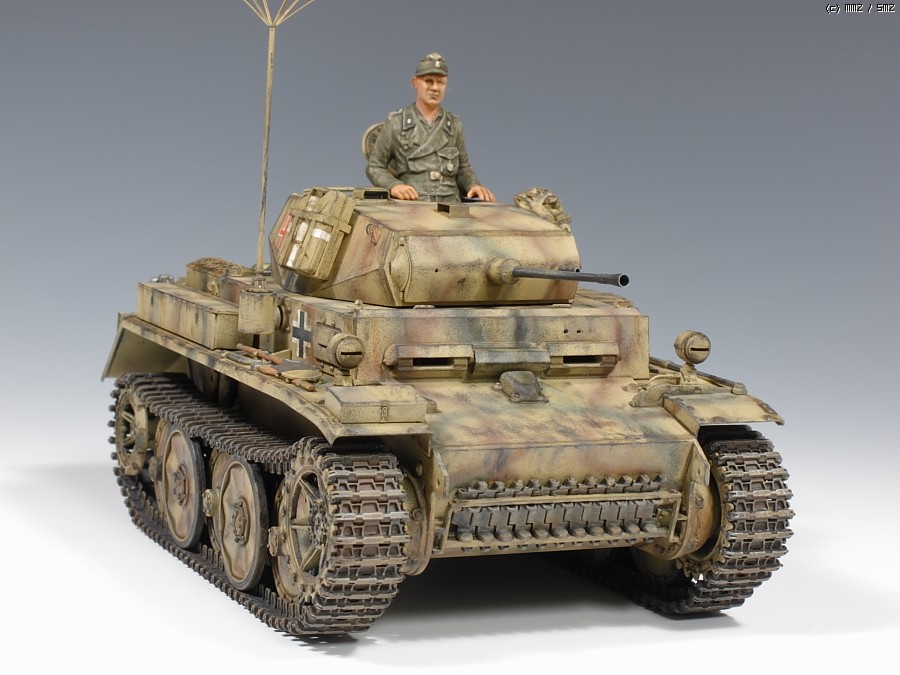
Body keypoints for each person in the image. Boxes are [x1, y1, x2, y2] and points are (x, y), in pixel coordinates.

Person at [366, 53, 495, 203]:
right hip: (413, 203)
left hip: (451, 205)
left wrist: (474, 185)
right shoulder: (397, 122)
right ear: (415, 82)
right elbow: (374, 167)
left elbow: (463, 168)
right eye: (429, 81)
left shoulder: (454, 124)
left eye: (440, 82)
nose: (435, 88)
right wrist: (394, 185)